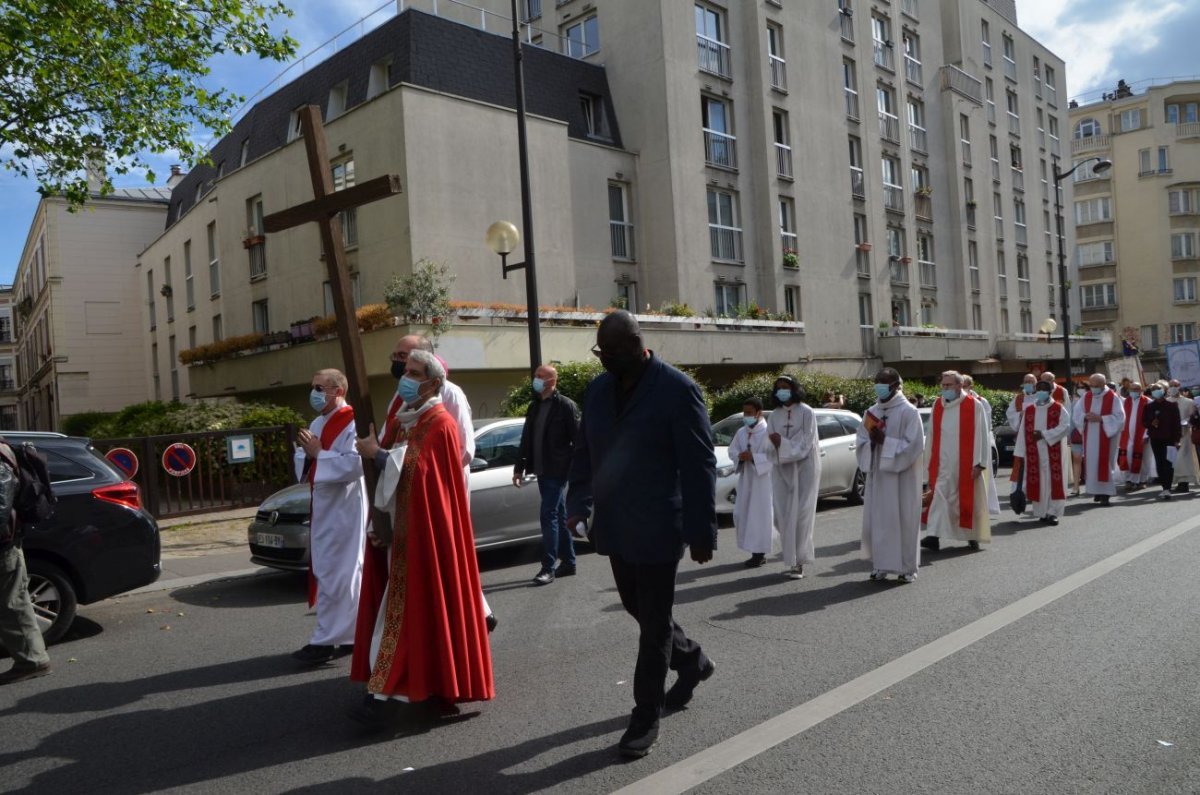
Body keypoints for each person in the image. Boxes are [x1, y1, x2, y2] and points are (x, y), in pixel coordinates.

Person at [566, 311, 716, 759]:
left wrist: (701, 529)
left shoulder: (676, 389)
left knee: (653, 624)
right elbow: (585, 452)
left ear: (636, 343)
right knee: (637, 605)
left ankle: (645, 716)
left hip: (658, 525)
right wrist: (578, 504)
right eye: (600, 353)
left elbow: (698, 463)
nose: (604, 361)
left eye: (610, 353)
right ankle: (691, 659)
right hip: (614, 522)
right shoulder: (596, 390)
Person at [350, 349, 494, 727]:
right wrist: (377, 526)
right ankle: (409, 688)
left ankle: (387, 695)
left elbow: (421, 473)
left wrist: (379, 455)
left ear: (433, 382)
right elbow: (397, 475)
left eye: (413, 372)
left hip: (427, 537)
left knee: (412, 614)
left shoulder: (440, 422)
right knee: (411, 614)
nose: (405, 376)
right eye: (405, 371)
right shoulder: (404, 419)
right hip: (403, 534)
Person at [384, 334, 496, 632]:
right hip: (410, 494)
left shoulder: (450, 394)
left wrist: (434, 482)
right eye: (396, 358)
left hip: (441, 492)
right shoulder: (400, 397)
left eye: (404, 356)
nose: (399, 365)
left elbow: (461, 449)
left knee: (449, 560)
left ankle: (474, 617)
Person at [291, 369, 367, 665]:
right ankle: (349, 636)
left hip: (345, 508)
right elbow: (306, 458)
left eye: (320, 387)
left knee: (339, 574)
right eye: (313, 387)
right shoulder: (318, 421)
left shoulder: (352, 420)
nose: (314, 392)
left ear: (338, 390)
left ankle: (324, 640)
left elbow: (354, 465)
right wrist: (311, 454)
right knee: (332, 572)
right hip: (323, 507)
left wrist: (319, 454)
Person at [513, 364, 581, 585]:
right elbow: (526, 439)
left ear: (552, 381)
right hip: (541, 469)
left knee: (548, 515)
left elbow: (579, 440)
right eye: (536, 376)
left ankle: (548, 567)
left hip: (557, 470)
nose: (536, 379)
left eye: (541, 376)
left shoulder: (565, 406)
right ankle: (569, 562)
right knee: (558, 516)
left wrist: (572, 467)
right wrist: (519, 467)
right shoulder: (535, 407)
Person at [857, 368, 924, 583]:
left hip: (902, 477)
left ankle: (907, 568)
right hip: (878, 475)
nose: (879, 385)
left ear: (896, 385)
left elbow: (914, 445)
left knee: (904, 519)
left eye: (884, 382)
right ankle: (880, 565)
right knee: (879, 520)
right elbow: (860, 441)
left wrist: (885, 441)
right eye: (877, 381)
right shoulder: (872, 411)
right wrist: (871, 443)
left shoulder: (909, 412)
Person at [921, 371, 992, 552]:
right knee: (938, 497)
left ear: (959, 386)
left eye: (948, 385)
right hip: (942, 464)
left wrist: (980, 463)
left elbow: (982, 435)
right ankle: (933, 536)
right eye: (943, 385)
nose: (944, 389)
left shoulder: (974, 405)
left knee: (968, 501)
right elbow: (931, 435)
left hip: (966, 464)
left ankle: (972, 536)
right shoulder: (938, 405)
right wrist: (927, 461)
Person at [0, 438, 50, 685]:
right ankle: (32, 659)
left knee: (12, 604)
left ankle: (31, 661)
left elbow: (0, 506)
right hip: (7, 540)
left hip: (3, 544)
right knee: (15, 601)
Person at [766, 376, 819, 579]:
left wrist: (784, 443)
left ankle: (798, 562)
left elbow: (807, 440)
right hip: (781, 469)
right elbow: (768, 440)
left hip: (804, 468)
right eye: (778, 388)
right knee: (781, 516)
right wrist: (776, 444)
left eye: (785, 387)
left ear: (794, 389)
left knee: (801, 515)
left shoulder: (806, 412)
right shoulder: (775, 415)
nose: (782, 391)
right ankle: (791, 556)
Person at [1011, 381, 1072, 524]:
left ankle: (1053, 512)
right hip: (1034, 453)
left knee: (1053, 481)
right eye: (1038, 389)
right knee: (1038, 482)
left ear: (1050, 391)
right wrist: (1020, 452)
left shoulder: (1058, 408)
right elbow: (1022, 432)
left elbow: (1065, 426)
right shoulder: (1030, 410)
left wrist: (1044, 434)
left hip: (1052, 451)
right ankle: (1042, 512)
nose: (1040, 392)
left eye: (1044, 389)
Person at [728, 397, 775, 570]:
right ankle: (752, 549)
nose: (746, 416)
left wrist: (754, 457)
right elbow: (732, 450)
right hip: (746, 479)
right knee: (742, 513)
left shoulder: (768, 432)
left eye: (749, 413)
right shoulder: (741, 432)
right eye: (744, 413)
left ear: (758, 413)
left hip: (762, 481)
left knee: (759, 516)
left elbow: (773, 456)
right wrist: (740, 457)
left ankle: (759, 553)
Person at [1072, 373, 1125, 506]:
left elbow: (1120, 417)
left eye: (1096, 386)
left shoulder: (1113, 397)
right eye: (1092, 386)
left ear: (1103, 385)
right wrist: (1084, 417)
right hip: (1090, 436)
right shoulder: (1086, 396)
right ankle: (1096, 491)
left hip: (1107, 435)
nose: (1093, 388)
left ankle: (1106, 494)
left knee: (1105, 463)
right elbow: (1077, 413)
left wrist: (1101, 419)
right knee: (1091, 464)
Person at [962, 375, 1000, 516]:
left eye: (964, 385)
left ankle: (982, 507)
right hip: (961, 444)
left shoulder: (980, 402)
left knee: (981, 475)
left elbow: (986, 424)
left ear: (970, 387)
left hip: (979, 442)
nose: (962, 389)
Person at [1143, 381, 1182, 500]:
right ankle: (1164, 487)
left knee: (1168, 463)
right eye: (1154, 389)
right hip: (1155, 438)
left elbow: (1177, 424)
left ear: (1164, 391)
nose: (1156, 391)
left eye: (1158, 389)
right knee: (1159, 463)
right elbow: (1143, 422)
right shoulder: (1149, 407)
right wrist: (1151, 423)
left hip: (1169, 439)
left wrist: (1177, 439)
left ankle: (1168, 488)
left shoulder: (1171, 406)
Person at [1117, 381, 1156, 490]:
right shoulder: (1125, 402)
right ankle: (1129, 480)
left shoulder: (1148, 402)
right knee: (1128, 457)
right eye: (1132, 389)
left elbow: (1151, 420)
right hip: (1127, 436)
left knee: (1144, 459)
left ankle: (1142, 480)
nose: (1134, 391)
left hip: (1143, 436)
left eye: (1136, 389)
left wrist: (1146, 434)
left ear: (1141, 390)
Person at [1167, 379, 1198, 493]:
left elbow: (1193, 418)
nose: (1173, 387)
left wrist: (1185, 422)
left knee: (1183, 460)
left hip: (1185, 434)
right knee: (1174, 460)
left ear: (1179, 386)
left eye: (1175, 385)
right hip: (1171, 435)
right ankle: (1178, 482)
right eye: (1170, 386)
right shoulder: (1167, 401)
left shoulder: (1189, 402)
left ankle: (1184, 484)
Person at [1070, 385, 1088, 496]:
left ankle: (1092, 485)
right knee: (1076, 459)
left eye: (1083, 387)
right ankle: (1076, 486)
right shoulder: (1074, 402)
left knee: (1091, 461)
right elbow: (1071, 419)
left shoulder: (1092, 400)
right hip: (1077, 435)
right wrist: (1069, 435)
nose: (1080, 389)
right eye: (1078, 387)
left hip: (1090, 434)